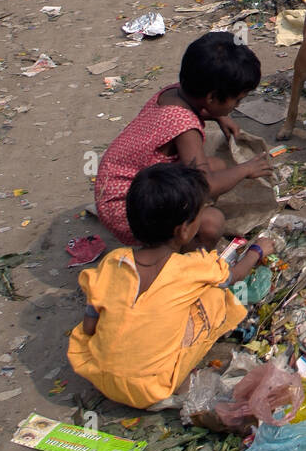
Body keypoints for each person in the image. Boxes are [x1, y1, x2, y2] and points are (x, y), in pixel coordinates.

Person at [69, 164, 264, 409]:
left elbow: (89, 326)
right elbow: (234, 275)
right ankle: (174, 382)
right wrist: (258, 250)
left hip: (98, 374)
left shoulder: (113, 260)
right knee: (216, 295)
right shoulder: (192, 267)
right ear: (184, 230)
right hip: (151, 389)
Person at [94, 32, 270, 251]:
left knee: (218, 166)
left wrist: (219, 115)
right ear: (212, 98)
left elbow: (198, 104)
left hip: (119, 188)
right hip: (127, 211)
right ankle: (181, 258)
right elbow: (206, 186)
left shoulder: (173, 93)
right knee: (212, 223)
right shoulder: (184, 127)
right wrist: (246, 169)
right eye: (237, 100)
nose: (237, 107)